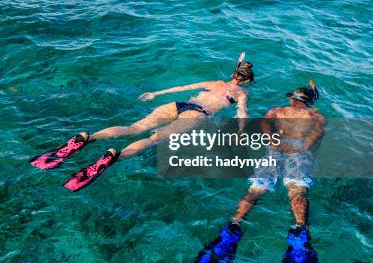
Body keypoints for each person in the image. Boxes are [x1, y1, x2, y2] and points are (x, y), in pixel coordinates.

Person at [31, 56, 254, 191]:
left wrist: (156, 93)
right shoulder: (242, 92)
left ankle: (89, 138)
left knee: (133, 129)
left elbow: (182, 88)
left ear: (233, 74)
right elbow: (241, 112)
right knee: (151, 140)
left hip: (178, 104)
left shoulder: (214, 82)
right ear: (246, 80)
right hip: (197, 115)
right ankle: (113, 157)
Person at [193, 81, 325, 263]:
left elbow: (264, 126)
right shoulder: (316, 117)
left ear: (291, 99)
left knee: (255, 190)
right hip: (298, 152)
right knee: (297, 191)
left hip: (274, 149)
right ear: (307, 102)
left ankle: (234, 224)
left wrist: (274, 141)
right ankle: (299, 229)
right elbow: (315, 137)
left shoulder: (276, 110)